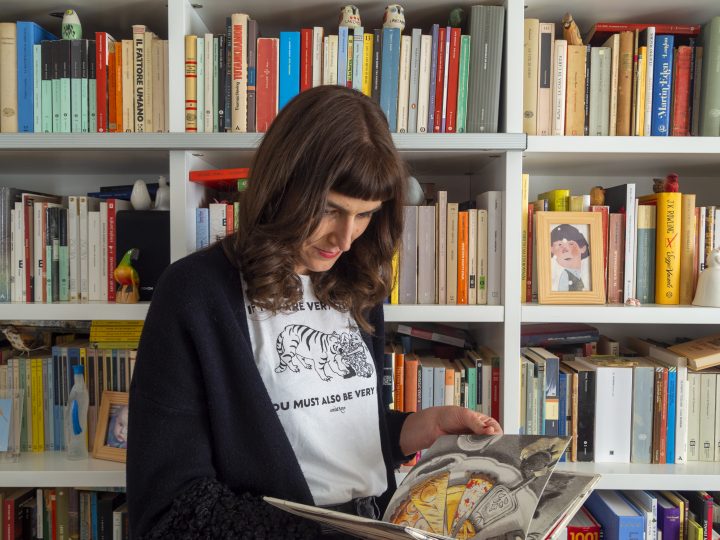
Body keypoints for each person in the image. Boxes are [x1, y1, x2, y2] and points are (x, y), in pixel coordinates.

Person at [127, 85, 502, 539]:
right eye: (328, 210)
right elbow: (170, 508)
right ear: (280, 187)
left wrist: (416, 428)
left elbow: (321, 439)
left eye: (365, 215)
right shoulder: (194, 293)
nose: (345, 239)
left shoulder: (357, 283)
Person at [549, 223, 591, 292]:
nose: (565, 250)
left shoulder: (584, 274)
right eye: (560, 244)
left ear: (582, 247)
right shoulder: (565, 275)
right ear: (552, 250)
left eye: (571, 244)